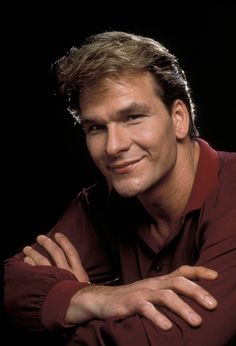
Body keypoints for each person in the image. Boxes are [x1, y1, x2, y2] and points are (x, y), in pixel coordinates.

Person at [5, 31, 236, 345]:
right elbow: (11, 284)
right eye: (96, 127)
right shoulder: (99, 205)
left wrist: (70, 325)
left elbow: (186, 338)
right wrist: (99, 298)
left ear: (179, 118)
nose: (113, 147)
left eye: (133, 117)